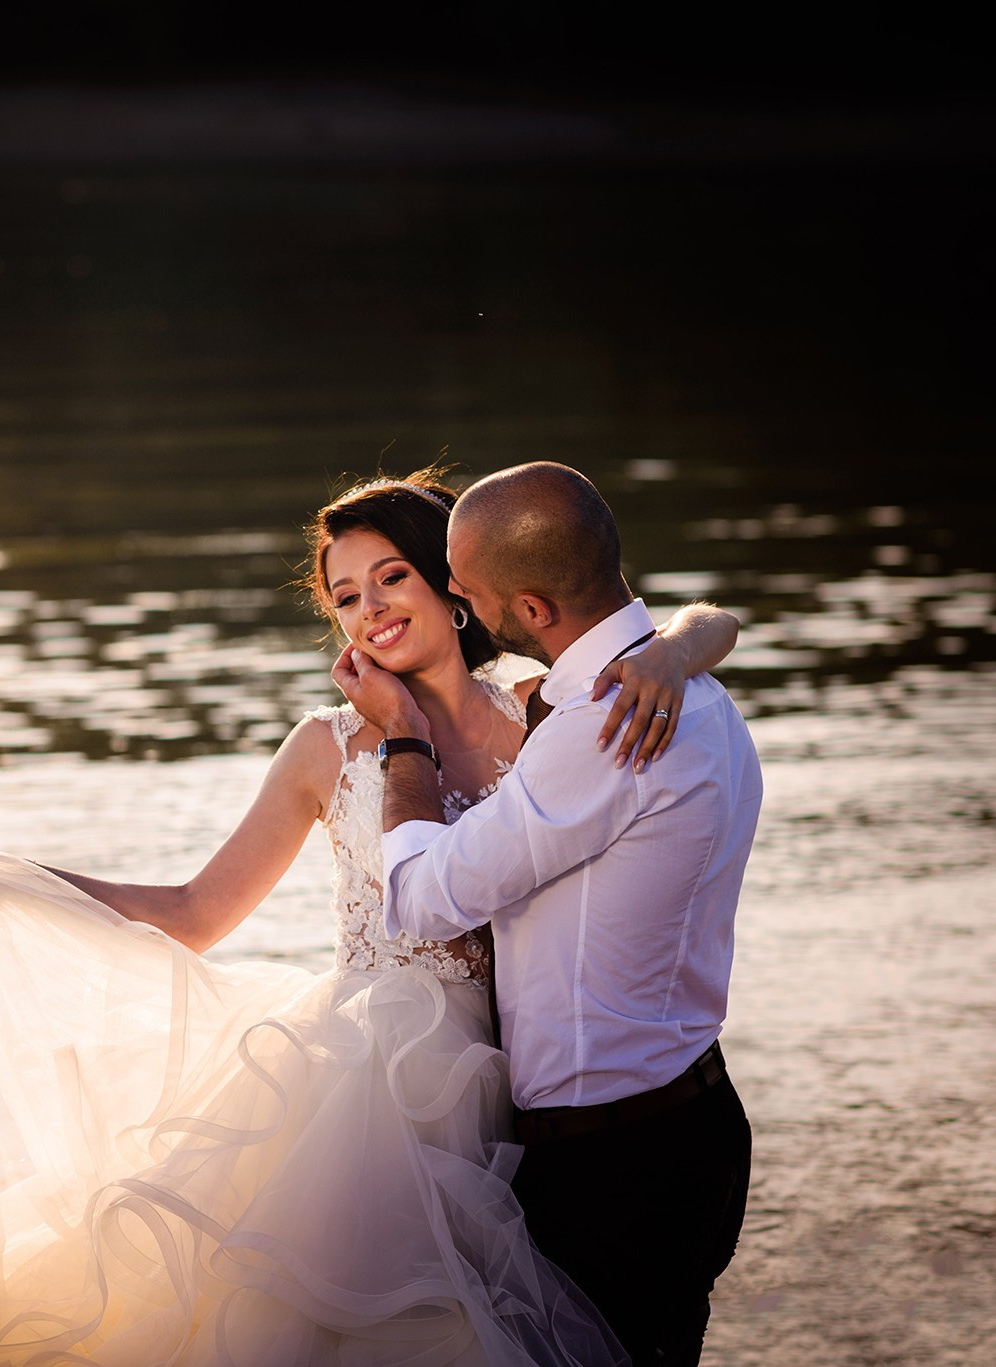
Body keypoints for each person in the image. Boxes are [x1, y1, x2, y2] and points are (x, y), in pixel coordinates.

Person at [0, 470, 741, 1367]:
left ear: (458, 583)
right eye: (344, 596)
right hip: (376, 1103)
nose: (368, 609)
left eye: (390, 576)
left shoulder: (551, 712)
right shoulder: (326, 746)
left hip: (533, 1108)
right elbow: (195, 910)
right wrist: (9, 882)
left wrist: (685, 644)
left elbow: (647, 624)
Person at [334, 462, 762, 1367]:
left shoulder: (598, 727)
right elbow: (716, 620)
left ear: (530, 610)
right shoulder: (688, 693)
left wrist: (402, 736)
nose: (455, 596)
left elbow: (420, 895)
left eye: (468, 586)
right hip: (693, 1113)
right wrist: (683, 640)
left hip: (615, 1159)